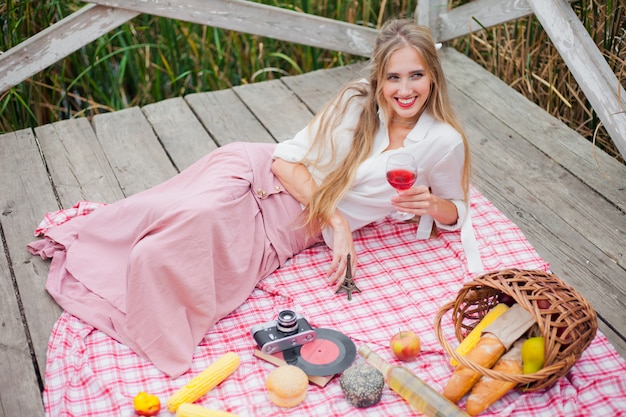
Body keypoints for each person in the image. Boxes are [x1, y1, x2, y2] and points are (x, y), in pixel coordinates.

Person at [28, 18, 481, 378]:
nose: (405, 90)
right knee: (178, 214)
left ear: (433, 77)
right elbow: (285, 162)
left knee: (161, 253)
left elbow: (456, 212)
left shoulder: (443, 141)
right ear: (379, 79)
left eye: (416, 75)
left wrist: (432, 206)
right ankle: (93, 250)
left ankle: (128, 290)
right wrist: (339, 222)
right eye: (394, 77)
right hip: (257, 171)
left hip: (285, 224)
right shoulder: (355, 103)